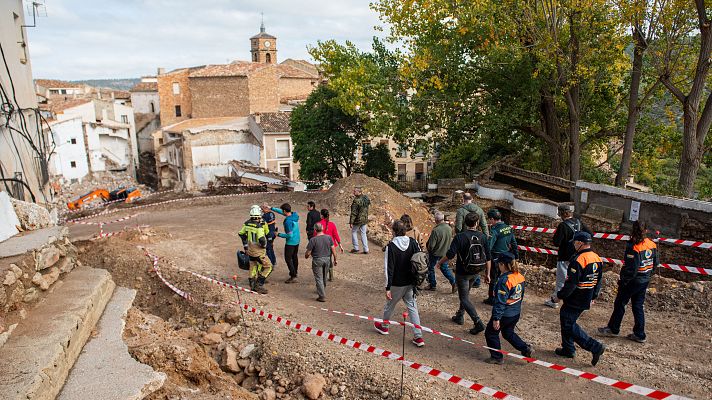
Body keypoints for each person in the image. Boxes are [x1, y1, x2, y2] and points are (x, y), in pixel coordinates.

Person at [598, 221, 657, 343]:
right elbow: (655, 264)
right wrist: (648, 275)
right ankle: (640, 334)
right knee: (638, 306)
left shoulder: (634, 246)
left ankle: (613, 328)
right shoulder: (651, 244)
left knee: (620, 303)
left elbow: (631, 268)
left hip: (633, 281)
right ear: (645, 230)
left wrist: (624, 281)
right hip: (644, 279)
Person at [554, 231, 606, 366]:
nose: (573, 244)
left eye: (575, 242)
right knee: (566, 320)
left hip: (576, 298)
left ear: (580, 243)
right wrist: (593, 296)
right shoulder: (596, 258)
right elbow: (598, 280)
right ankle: (568, 348)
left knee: (568, 324)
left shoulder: (578, 260)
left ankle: (594, 347)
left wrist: (559, 296)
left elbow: (571, 284)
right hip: (586, 296)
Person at [435, 212, 490, 335]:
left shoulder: (460, 237)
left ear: (465, 223)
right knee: (466, 294)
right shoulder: (483, 237)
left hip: (463, 272)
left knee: (464, 297)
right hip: (476, 271)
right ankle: (460, 315)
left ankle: (478, 322)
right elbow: (488, 257)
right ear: (477, 224)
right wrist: (488, 273)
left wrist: (439, 263)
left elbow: (450, 254)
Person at [373, 220, 426, 347]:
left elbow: (388, 268)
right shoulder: (413, 242)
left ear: (394, 231)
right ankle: (418, 336)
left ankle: (384, 326)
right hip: (410, 281)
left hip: (397, 283)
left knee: (389, 306)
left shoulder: (391, 247)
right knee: (413, 308)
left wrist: (387, 287)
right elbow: (420, 257)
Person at [483, 252, 533, 364]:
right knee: (508, 332)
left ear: (503, 265)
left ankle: (497, 357)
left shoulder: (504, 281)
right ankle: (525, 348)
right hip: (515, 313)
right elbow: (522, 295)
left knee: (491, 333)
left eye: (499, 264)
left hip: (505, 314)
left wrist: (496, 318)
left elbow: (500, 302)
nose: (498, 266)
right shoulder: (519, 276)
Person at [545, 205, 592, 308]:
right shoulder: (579, 222)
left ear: (561, 214)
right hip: (577, 255)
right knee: (575, 278)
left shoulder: (563, 225)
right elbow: (590, 233)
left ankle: (555, 301)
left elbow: (556, 242)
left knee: (561, 280)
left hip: (565, 255)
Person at [484, 209, 518, 305]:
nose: (489, 222)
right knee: (505, 277)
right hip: (507, 256)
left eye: (489, 220)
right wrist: (516, 256)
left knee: (493, 278)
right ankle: (503, 295)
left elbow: (489, 246)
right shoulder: (508, 228)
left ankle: (491, 298)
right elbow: (514, 243)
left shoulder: (494, 230)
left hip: (496, 257)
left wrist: (486, 259)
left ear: (492, 219)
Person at [454, 192, 488, 288]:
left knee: (462, 259)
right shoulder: (480, 210)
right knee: (475, 256)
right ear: (472, 199)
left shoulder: (461, 211)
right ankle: (476, 281)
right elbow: (484, 226)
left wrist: (459, 237)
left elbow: (458, 227)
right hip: (477, 238)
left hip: (464, 237)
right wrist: (485, 239)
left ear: (463, 199)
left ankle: (462, 280)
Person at [238, 205, 273, 294]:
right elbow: (262, 238)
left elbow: (241, 234)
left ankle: (252, 285)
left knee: (253, 266)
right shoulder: (259, 226)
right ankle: (259, 285)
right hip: (259, 252)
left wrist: (245, 246)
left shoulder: (246, 224)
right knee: (268, 267)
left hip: (250, 250)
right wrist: (265, 245)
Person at [305, 223, 337, 302]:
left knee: (319, 278)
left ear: (315, 230)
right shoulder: (329, 238)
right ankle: (322, 289)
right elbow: (333, 250)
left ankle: (322, 296)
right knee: (324, 276)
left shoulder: (313, 240)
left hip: (317, 260)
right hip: (327, 259)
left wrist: (306, 256)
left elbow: (308, 253)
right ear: (322, 228)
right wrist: (335, 259)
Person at [425, 211, 456, 293]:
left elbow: (431, 245)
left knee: (430, 267)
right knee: (444, 268)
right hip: (445, 253)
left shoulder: (436, 230)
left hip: (435, 253)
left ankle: (432, 285)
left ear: (436, 220)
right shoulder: (449, 228)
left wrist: (428, 250)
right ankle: (453, 282)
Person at [271, 203, 301, 283]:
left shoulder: (288, 222)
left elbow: (289, 235)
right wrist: (271, 208)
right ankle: (295, 272)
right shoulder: (294, 215)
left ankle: (293, 275)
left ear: (284, 211)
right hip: (297, 240)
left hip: (290, 242)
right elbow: (283, 212)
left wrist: (278, 234)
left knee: (288, 259)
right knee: (294, 257)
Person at [319, 209, 343, 281]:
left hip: (322, 246)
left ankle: (324, 276)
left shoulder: (319, 224)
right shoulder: (332, 224)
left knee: (323, 260)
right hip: (331, 246)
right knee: (329, 260)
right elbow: (336, 235)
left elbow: (315, 236)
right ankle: (331, 276)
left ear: (322, 216)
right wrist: (340, 245)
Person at [349, 186, 371, 254]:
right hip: (364, 218)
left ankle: (356, 248)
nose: (353, 192)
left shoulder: (356, 200)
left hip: (358, 220)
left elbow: (354, 212)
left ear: (359, 192)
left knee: (354, 232)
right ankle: (366, 249)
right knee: (363, 233)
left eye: (355, 191)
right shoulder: (366, 198)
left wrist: (351, 222)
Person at [261, 203, 277, 268]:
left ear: (266, 208)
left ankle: (271, 263)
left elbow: (263, 225)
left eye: (262, 209)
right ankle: (274, 261)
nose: (262, 210)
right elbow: (274, 222)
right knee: (271, 247)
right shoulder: (272, 213)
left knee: (268, 249)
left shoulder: (264, 216)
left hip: (269, 234)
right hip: (273, 233)